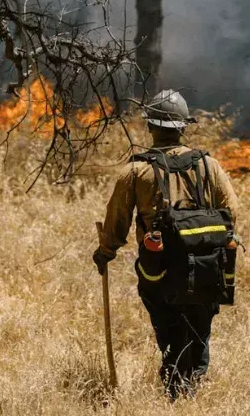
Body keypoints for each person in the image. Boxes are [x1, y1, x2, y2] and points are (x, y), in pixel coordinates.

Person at [93, 90, 239, 399]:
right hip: (206, 268)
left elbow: (116, 221)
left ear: (150, 127)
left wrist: (105, 252)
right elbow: (232, 212)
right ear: (184, 127)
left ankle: (175, 391)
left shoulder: (137, 171)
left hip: (159, 271)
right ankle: (191, 390)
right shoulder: (208, 166)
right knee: (198, 335)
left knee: (170, 333)